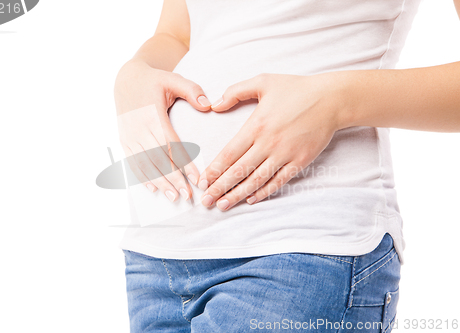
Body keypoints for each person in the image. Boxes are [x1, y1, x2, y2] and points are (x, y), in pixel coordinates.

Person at [113, 0, 460, 332]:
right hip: (155, 251)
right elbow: (177, 34)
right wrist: (135, 73)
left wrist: (336, 101)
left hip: (301, 250)